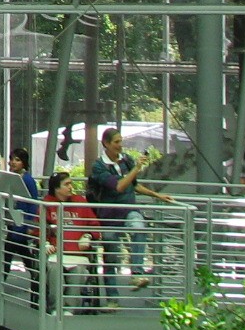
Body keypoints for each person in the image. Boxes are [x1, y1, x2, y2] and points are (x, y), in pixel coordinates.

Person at [88, 127, 176, 301]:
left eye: (121, 141)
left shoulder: (126, 160)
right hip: (109, 215)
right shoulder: (98, 166)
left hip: (129, 209)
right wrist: (136, 168)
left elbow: (133, 185)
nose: (120, 145)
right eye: (116, 142)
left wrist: (157, 195)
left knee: (139, 227)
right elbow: (119, 186)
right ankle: (113, 299)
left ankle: (136, 271)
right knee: (111, 257)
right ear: (106, 144)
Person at [41, 170, 101, 312]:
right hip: (56, 255)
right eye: (66, 184)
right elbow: (38, 227)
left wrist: (87, 236)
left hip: (78, 255)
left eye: (71, 184)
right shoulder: (47, 203)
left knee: (78, 273)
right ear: (56, 188)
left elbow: (95, 226)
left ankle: (69, 311)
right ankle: (55, 310)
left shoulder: (80, 201)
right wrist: (45, 243)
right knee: (55, 272)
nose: (70, 187)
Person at [0, 147, 40, 301]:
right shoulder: (13, 177)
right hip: (14, 222)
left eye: (17, 159)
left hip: (21, 223)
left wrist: (30, 224)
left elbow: (33, 203)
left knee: (8, 252)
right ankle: (38, 278)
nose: (12, 162)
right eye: (12, 159)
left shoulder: (27, 179)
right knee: (23, 254)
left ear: (24, 162)